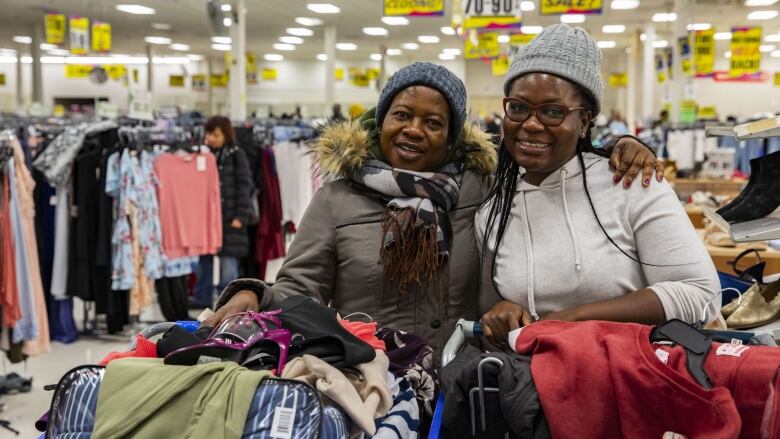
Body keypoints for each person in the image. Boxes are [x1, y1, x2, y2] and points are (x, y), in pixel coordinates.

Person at [207, 62, 660, 359]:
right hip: (373, 381)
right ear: (381, 120)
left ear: (452, 135)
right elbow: (300, 289)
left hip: (467, 383)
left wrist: (614, 146)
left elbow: (547, 154)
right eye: (402, 115)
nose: (414, 130)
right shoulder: (337, 199)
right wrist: (255, 295)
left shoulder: (484, 188)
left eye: (433, 122)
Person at [476, 24, 719, 346]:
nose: (531, 124)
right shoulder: (494, 210)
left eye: (552, 111)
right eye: (518, 108)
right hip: (533, 385)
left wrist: (572, 319)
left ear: (585, 122)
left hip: (633, 380)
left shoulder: (631, 182)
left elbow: (700, 294)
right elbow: (494, 313)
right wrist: (502, 309)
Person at [190, 116, 254, 309]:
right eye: (208, 134)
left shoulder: (236, 155)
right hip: (206, 217)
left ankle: (228, 302)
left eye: (215, 134)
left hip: (229, 217)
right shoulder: (200, 155)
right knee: (204, 259)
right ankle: (201, 297)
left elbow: (245, 186)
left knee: (228, 262)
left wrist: (240, 216)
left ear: (225, 134)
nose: (211, 138)